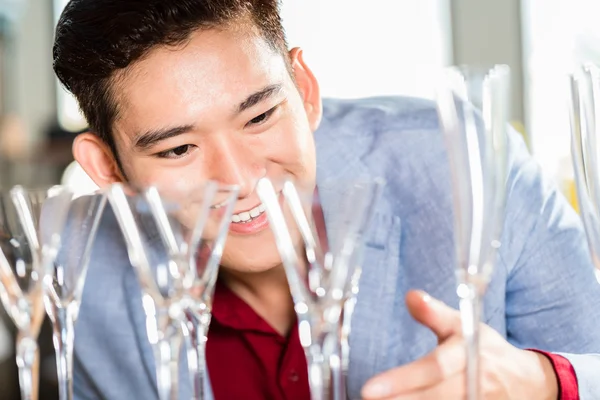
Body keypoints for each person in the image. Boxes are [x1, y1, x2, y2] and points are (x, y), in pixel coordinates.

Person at [53, 0, 600, 399]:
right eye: (178, 149)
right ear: (106, 167)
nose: (242, 179)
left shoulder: (469, 168)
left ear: (304, 90)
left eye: (260, 116)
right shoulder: (78, 277)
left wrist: (547, 381)